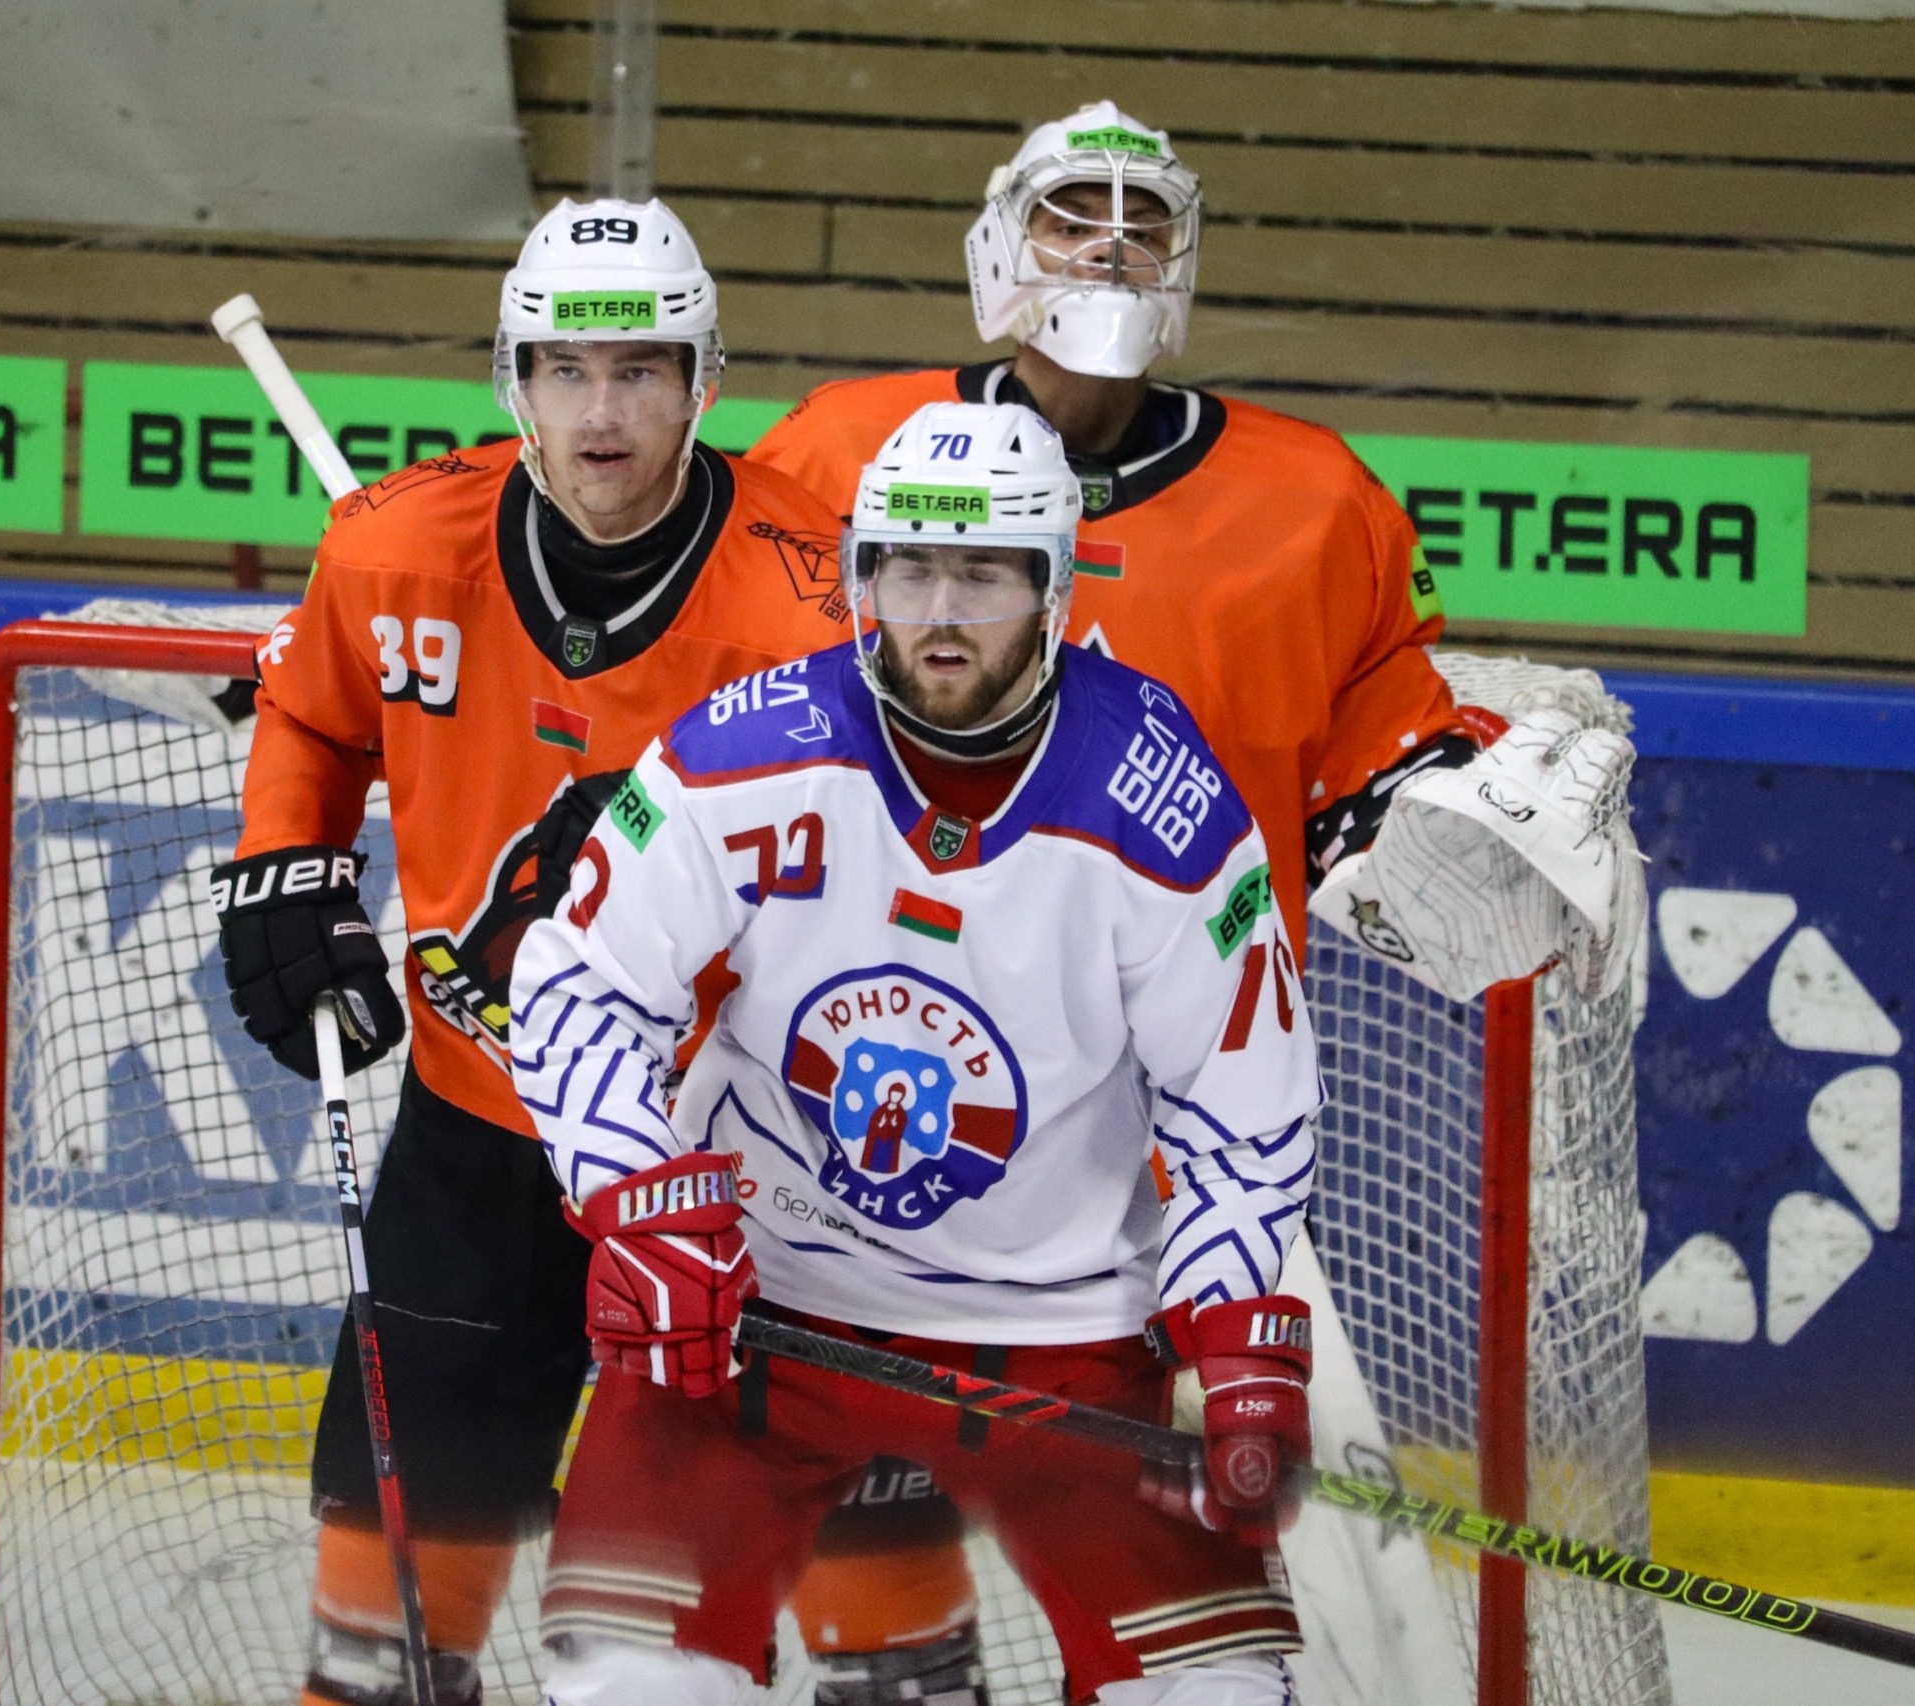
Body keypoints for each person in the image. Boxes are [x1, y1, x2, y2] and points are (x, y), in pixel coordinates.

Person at [744, 102, 1642, 1699]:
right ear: (997, 246)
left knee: (1210, 1612)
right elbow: (717, 696)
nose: (1106, 247)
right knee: (877, 1594)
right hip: (886, 1109)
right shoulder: (836, 454)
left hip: (1176, 1163)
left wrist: (1481, 818)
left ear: (1186, 260)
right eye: (1069, 213)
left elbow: (1378, 777)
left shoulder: (1313, 504)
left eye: (1141, 219)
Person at [508, 402, 1326, 1706]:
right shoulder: (743, 750)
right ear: (862, 578)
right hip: (756, 1317)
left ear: (1053, 587)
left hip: (1066, 1339)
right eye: (910, 569)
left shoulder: (1159, 803)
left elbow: (1242, 1109)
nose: (941, 614)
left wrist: (1231, 1328)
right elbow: (578, 983)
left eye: (985, 574)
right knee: (625, 1685)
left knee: (1217, 1698)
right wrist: (637, 1198)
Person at [209, 194, 852, 1706]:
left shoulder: (815, 594)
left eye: (639, 371)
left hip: (725, 1169)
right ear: (516, 381)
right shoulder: (391, 546)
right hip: (475, 1132)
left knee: (711, 1654)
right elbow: (311, 714)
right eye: (567, 370)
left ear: (703, 382)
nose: (601, 412)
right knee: (379, 1642)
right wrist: (287, 867)